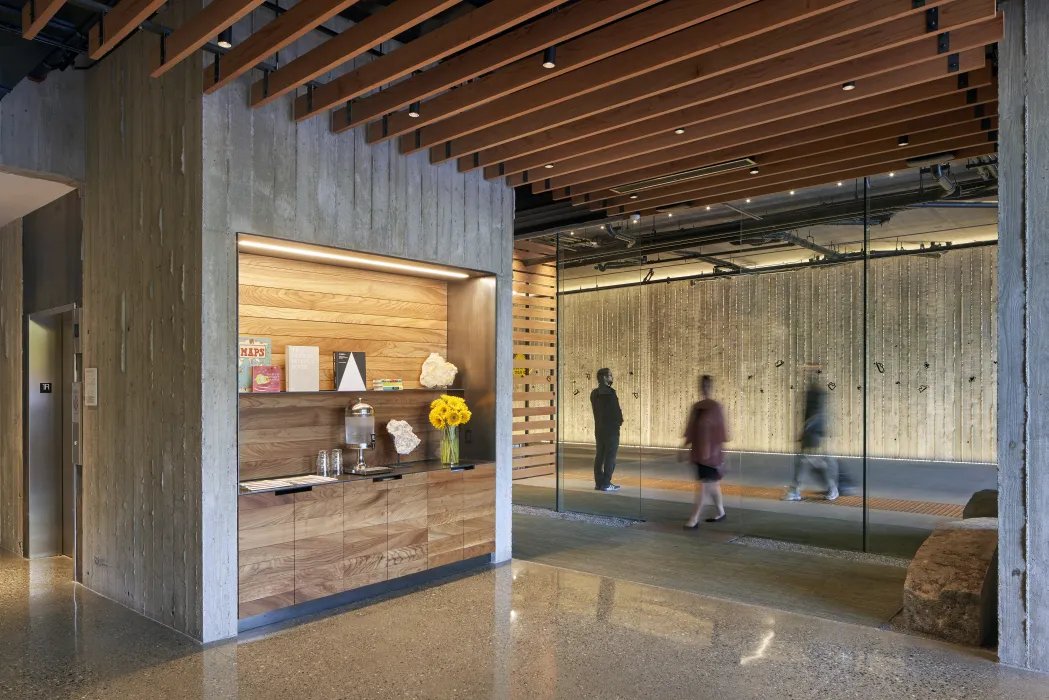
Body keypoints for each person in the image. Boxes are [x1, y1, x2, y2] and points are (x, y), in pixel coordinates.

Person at [784, 365, 840, 501]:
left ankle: (797, 491)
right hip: (811, 434)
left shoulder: (817, 393)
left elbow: (817, 415)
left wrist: (805, 429)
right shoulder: (812, 393)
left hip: (813, 434)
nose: (807, 375)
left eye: (810, 372)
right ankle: (797, 490)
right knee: (807, 462)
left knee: (808, 462)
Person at [683, 375, 729, 527]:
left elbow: (720, 432)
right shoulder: (697, 407)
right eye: (703, 385)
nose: (704, 388)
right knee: (712, 485)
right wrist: (684, 446)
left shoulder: (715, 407)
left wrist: (719, 457)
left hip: (711, 454)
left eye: (707, 385)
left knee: (704, 486)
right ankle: (721, 512)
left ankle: (694, 519)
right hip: (700, 452)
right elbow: (691, 429)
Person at [590, 368, 623, 492]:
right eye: (610, 375)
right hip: (612, 430)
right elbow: (616, 411)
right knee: (610, 456)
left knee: (600, 455)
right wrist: (619, 421)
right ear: (604, 377)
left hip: (599, 429)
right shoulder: (611, 393)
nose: (612, 377)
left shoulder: (594, 393)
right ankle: (606, 482)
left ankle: (599, 483)